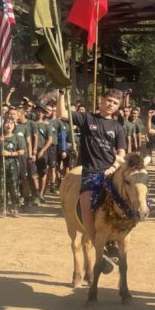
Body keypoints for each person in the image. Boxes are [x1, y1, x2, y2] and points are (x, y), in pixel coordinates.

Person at [60, 88, 127, 247]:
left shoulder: (118, 127)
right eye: (109, 100)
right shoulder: (86, 118)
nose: (111, 104)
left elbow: (121, 152)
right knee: (87, 210)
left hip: (111, 172)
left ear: (118, 106)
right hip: (90, 172)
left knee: (124, 204)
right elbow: (62, 114)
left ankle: (114, 240)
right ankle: (98, 244)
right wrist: (61, 95)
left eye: (115, 103)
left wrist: (115, 165)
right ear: (101, 100)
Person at [0, 118, 25, 217]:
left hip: (13, 164)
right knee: (2, 188)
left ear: (14, 126)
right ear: (3, 125)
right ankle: (3, 208)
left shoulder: (17, 138)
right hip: (1, 165)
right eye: (7, 123)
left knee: (14, 187)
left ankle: (15, 208)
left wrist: (9, 153)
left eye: (11, 123)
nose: (8, 125)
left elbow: (22, 151)